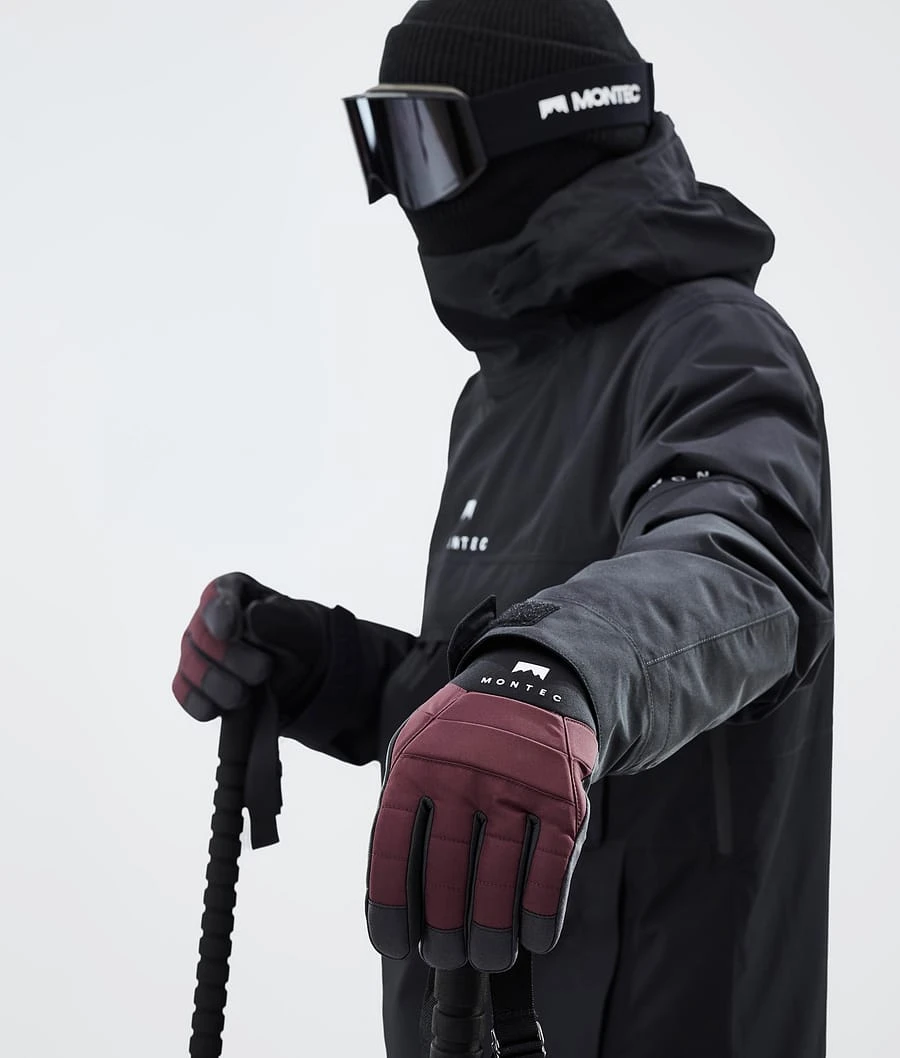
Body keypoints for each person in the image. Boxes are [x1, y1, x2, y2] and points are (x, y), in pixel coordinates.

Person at [172, 2, 835, 1055]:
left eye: (421, 145)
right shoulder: (496, 402)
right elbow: (481, 674)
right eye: (382, 147)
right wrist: (332, 672)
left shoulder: (711, 342)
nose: (400, 193)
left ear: (542, 128)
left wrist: (550, 673)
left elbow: (742, 568)